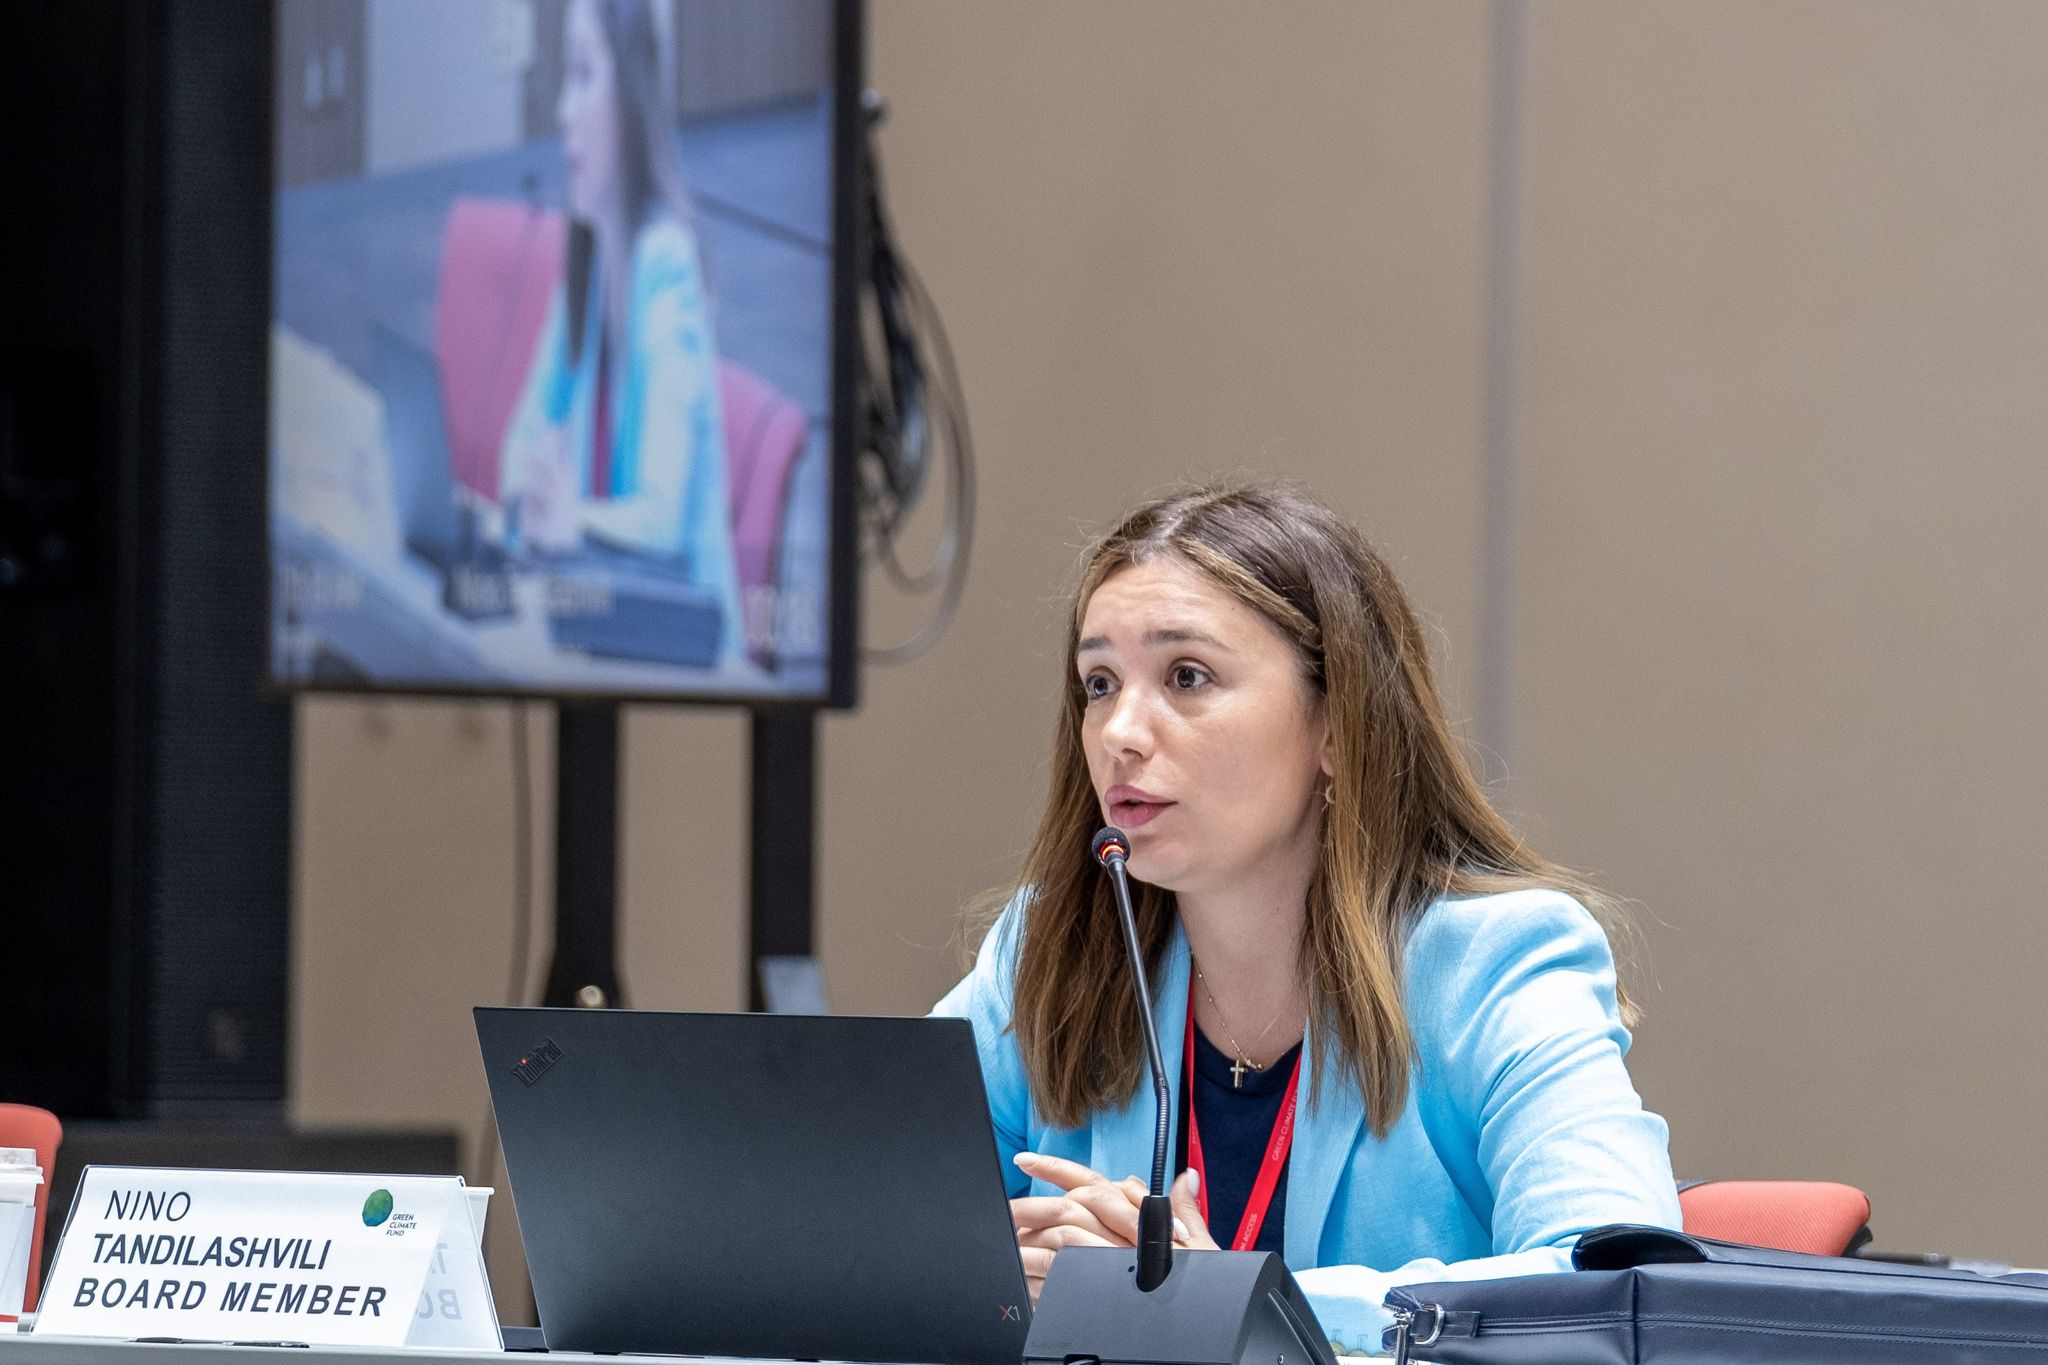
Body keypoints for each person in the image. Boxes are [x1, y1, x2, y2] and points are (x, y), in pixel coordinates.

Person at [932, 482, 1681, 1352]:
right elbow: (874, 1232)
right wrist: (988, 1281)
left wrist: (1229, 1303)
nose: (1119, 732)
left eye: (1186, 676)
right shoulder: (1052, 947)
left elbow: (1614, 1289)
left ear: (1335, 726)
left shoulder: (1494, 963)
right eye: (1099, 683)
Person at [498, 0, 743, 663]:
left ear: (631, 98)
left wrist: (567, 518)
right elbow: (520, 445)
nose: (562, 113)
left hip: (685, 653)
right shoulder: (586, 256)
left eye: (583, 76)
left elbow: (661, 519)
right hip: (590, 619)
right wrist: (532, 492)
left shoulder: (668, 266)